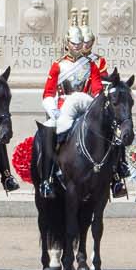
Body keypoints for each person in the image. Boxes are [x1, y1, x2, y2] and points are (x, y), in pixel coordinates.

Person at [35, 13, 104, 196]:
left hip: (84, 106)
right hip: (62, 107)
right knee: (48, 130)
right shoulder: (58, 65)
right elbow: (48, 92)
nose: (77, 46)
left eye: (80, 43)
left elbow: (97, 89)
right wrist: (53, 110)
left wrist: (97, 106)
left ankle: (114, 177)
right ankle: (48, 178)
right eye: (74, 43)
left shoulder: (91, 65)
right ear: (67, 43)